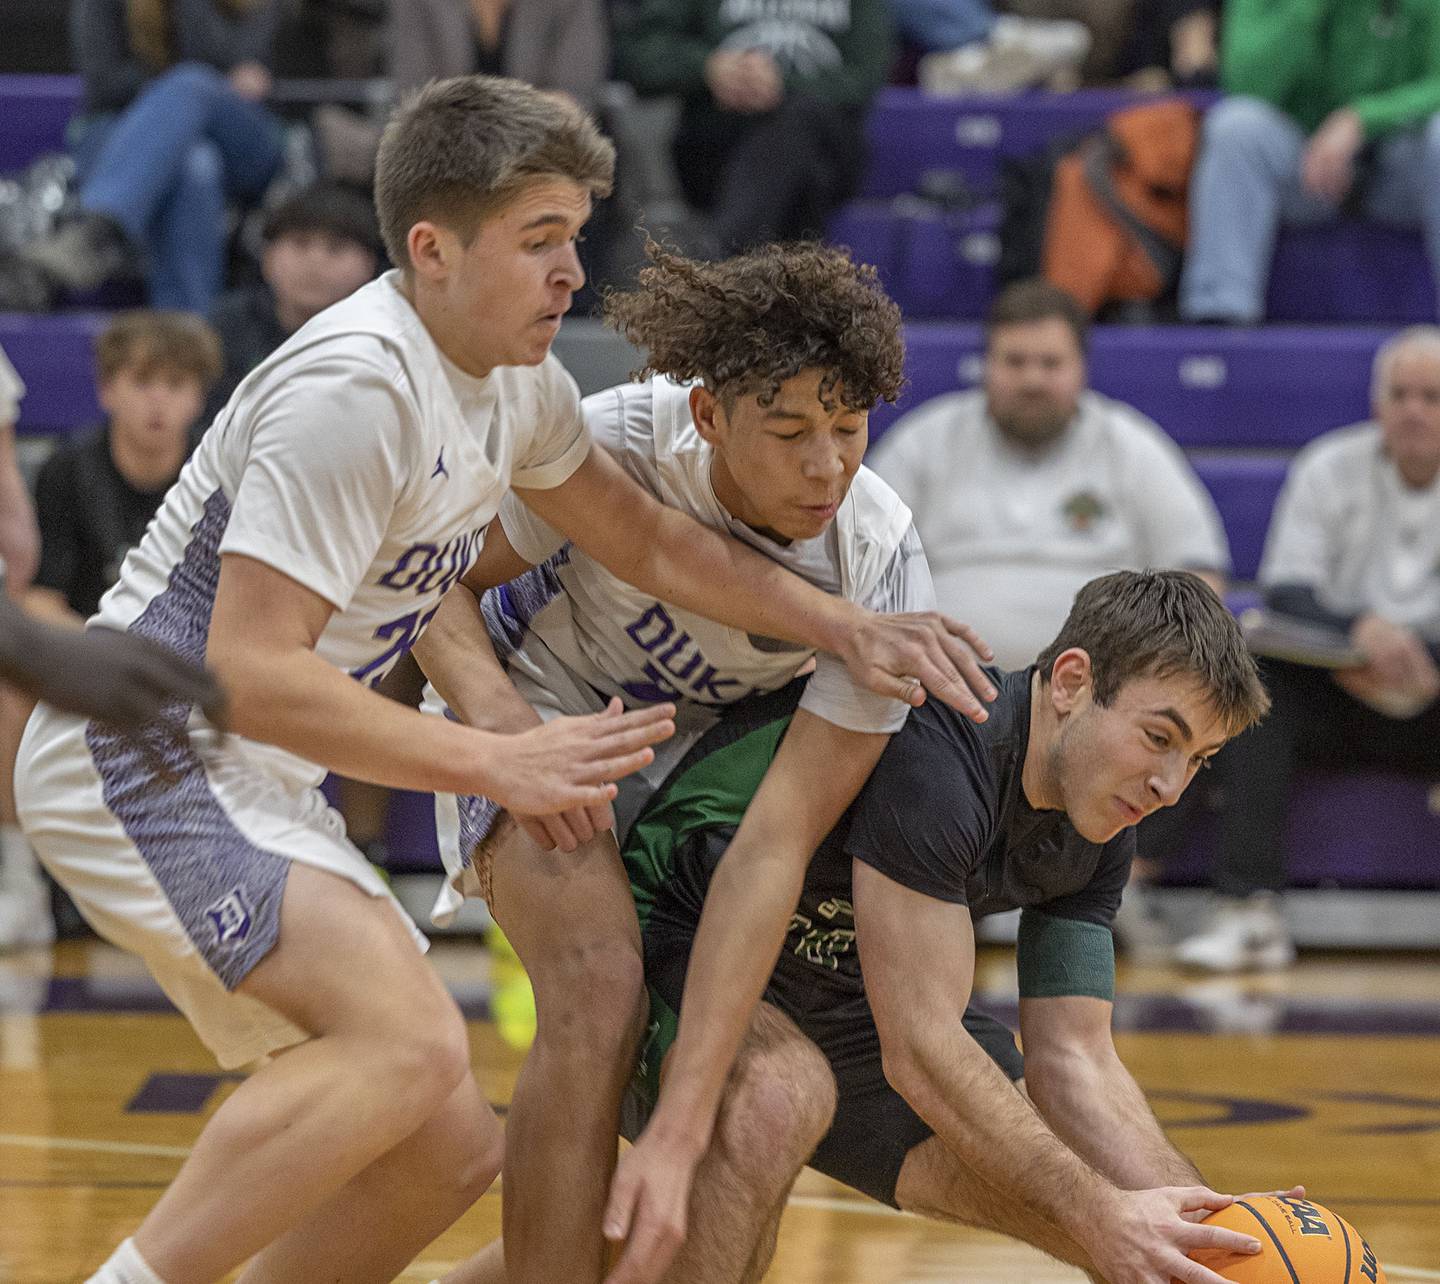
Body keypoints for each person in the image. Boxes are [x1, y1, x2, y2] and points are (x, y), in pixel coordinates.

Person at [14, 76, 986, 1284]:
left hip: (251, 776)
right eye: (540, 242)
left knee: (442, 1152)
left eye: (575, 237)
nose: (573, 273)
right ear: (432, 250)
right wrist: (500, 753)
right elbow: (247, 676)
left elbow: (651, 542)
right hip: (154, 750)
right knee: (408, 1047)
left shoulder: (514, 386)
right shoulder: (357, 389)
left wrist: (839, 628)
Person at [414, 238, 997, 1284]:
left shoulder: (879, 559)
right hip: (541, 712)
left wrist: (682, 1131)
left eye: (850, 428)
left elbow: (774, 845)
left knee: (764, 1107)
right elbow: (428, 584)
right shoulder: (608, 445)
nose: (827, 465)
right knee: (597, 983)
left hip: (706, 799)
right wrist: (505, 732)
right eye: (789, 432)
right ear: (708, 415)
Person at [604, 570, 1276, 1284]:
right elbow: (922, 1048)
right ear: (1072, 682)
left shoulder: (1102, 820)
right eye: (1158, 737)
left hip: (848, 988)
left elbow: (1076, 1057)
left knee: (1121, 1215)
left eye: (1198, 760)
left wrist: (1216, 1230)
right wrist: (1099, 1212)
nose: (1170, 788)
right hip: (683, 922)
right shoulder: (947, 739)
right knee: (776, 1099)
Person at [1176, 326, 1440, 972]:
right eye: (1401, 394)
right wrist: (1361, 632)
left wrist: (1417, 650)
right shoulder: (1328, 466)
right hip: (1339, 691)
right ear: (1377, 403)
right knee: (1253, 680)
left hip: (1435, 694)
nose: (1415, 410)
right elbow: (1287, 591)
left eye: (1432, 396)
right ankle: (1248, 911)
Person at [1, 310, 221, 950]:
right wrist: (110, 657)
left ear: (199, 395)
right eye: (142, 381)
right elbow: (35, 601)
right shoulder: (70, 470)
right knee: (10, 690)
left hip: (199, 657)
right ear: (107, 390)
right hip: (88, 650)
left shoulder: (221, 472)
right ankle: (23, 888)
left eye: (176, 384)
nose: (158, 400)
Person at [870, 279, 1230, 670]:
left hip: (1101, 698)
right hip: (933, 693)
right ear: (986, 365)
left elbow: (1199, 578)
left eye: (1051, 364)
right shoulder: (923, 441)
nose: (1032, 381)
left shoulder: (1132, 445)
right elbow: (860, 565)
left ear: (1082, 369)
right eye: (1015, 362)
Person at [0, 0, 286, 314]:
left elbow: (251, 63)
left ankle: (95, 235)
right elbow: (106, 84)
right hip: (121, 130)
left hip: (242, 137)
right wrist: (177, 97)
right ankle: (187, 334)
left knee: (191, 83)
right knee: (194, 164)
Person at [1180, 0, 1440, 325]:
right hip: (1304, 165)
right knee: (1235, 126)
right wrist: (1307, 7)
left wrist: (1361, 119)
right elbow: (1243, 83)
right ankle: (1220, 328)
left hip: (1397, 167)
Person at [612, 0, 892, 253]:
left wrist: (779, 85)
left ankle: (726, 257)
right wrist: (708, 67)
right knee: (800, 178)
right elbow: (637, 55)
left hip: (827, 153)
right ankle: (786, 280)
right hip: (717, 151)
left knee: (799, 121)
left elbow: (866, 78)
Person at [205, 183, 383, 424]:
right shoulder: (225, 326)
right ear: (266, 256)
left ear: (368, 265)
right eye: (300, 243)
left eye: (335, 248)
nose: (315, 262)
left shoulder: (383, 340)